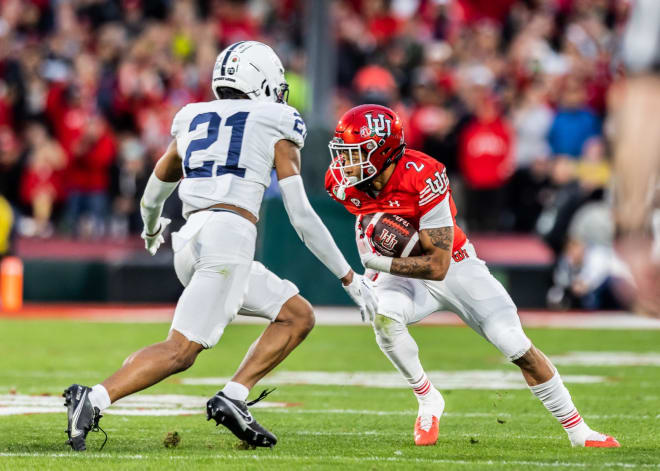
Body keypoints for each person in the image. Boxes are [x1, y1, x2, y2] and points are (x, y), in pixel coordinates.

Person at [63, 41, 377, 452]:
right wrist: (349, 277)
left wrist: (152, 227)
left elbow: (155, 188)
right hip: (227, 239)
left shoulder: (193, 116)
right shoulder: (276, 119)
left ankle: (234, 397)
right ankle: (94, 398)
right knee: (181, 350)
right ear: (262, 80)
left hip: (190, 238)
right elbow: (300, 215)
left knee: (296, 315)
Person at [325, 104, 618, 448]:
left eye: (355, 153)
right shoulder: (341, 183)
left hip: (454, 266)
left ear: (384, 151)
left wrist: (374, 264)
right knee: (385, 319)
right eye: (343, 153)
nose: (344, 163)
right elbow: (370, 229)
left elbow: (438, 265)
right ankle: (428, 398)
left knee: (515, 344)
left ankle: (578, 431)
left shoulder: (424, 174)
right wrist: (368, 269)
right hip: (402, 274)